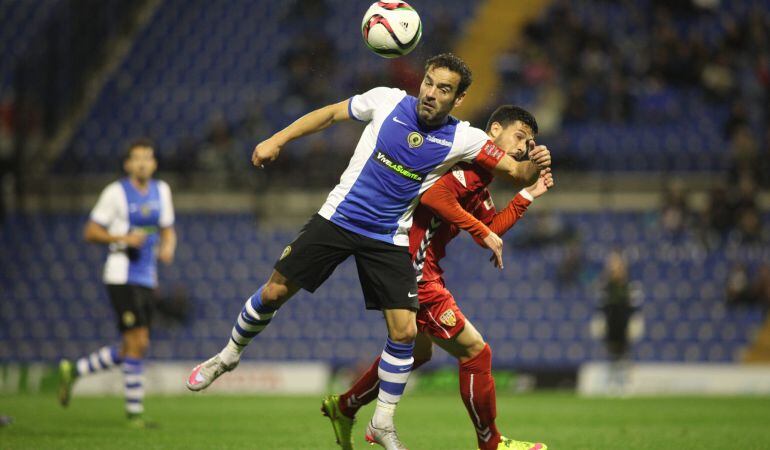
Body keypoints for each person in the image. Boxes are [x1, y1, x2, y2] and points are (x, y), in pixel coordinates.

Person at [185, 53, 551, 450]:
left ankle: (381, 423)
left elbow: (516, 173)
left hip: (388, 237)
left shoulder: (466, 139)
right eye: (428, 82)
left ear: (458, 99)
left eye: (443, 88)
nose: (430, 92)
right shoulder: (387, 100)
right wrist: (278, 139)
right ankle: (227, 356)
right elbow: (329, 115)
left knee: (407, 335)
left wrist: (536, 165)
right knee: (274, 292)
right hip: (339, 219)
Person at [321, 106, 551, 450]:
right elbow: (434, 197)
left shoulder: (479, 180)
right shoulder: (465, 166)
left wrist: (527, 195)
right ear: (494, 131)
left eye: (529, 143)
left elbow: (488, 229)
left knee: (416, 353)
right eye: (519, 137)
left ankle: (345, 406)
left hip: (416, 265)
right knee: (476, 352)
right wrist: (482, 230)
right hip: (412, 267)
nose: (522, 148)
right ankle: (492, 444)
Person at [58, 139, 176, 428]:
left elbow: (168, 229)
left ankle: (75, 370)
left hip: (147, 277)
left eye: (147, 158)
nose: (142, 163)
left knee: (132, 345)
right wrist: (122, 238)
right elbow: (91, 231)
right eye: (137, 159)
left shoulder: (162, 191)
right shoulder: (115, 193)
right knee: (139, 341)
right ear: (127, 164)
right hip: (121, 275)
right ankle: (134, 413)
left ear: (154, 163)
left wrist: (168, 247)